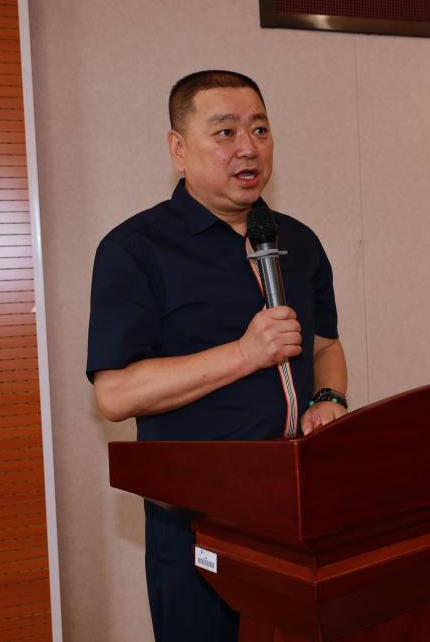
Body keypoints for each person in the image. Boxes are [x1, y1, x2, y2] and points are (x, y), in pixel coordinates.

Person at [86, 70, 348, 642]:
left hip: (297, 502)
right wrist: (245, 353)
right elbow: (115, 394)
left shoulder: (298, 241)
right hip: (195, 515)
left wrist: (329, 397)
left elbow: (326, 346)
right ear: (178, 149)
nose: (248, 147)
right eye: (225, 132)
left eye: (260, 129)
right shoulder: (135, 249)